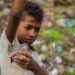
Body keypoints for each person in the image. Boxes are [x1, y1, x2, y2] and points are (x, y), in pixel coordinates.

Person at [0, 0, 48, 75]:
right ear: (17, 25)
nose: (33, 34)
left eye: (37, 29)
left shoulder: (33, 54)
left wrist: (34, 66)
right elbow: (15, 15)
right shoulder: (9, 43)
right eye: (28, 27)